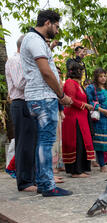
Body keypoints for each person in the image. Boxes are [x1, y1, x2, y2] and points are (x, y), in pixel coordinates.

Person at [20, 9, 73, 197]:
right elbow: (46, 72)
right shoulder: (34, 40)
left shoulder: (34, 40)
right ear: (48, 23)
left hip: (37, 97)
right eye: (57, 26)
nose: (57, 31)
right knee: (45, 142)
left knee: (42, 142)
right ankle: (47, 186)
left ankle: (44, 183)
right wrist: (61, 95)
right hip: (43, 97)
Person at [5, 34, 38, 192]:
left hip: (28, 103)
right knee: (24, 144)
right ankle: (24, 182)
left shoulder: (23, 61)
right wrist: (36, 73)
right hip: (21, 103)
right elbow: (20, 83)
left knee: (31, 143)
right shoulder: (16, 60)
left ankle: (31, 178)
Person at [62, 61, 96, 177]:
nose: (81, 73)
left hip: (81, 117)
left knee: (83, 142)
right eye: (80, 71)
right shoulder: (70, 83)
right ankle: (75, 171)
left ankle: (81, 168)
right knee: (76, 142)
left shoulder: (78, 84)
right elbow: (70, 99)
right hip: (73, 117)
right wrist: (85, 105)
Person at [86, 68, 107, 172]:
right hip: (100, 119)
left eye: (105, 76)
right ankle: (102, 165)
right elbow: (88, 101)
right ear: (96, 77)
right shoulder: (91, 88)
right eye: (101, 76)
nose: (103, 78)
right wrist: (101, 110)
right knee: (100, 142)